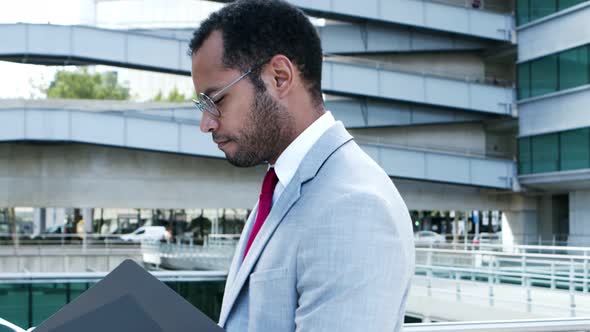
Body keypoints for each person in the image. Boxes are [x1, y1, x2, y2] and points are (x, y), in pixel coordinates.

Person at [189, 0, 415, 331]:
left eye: (217, 100)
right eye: (202, 105)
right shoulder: (284, 184)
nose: (206, 123)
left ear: (279, 77)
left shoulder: (353, 207)